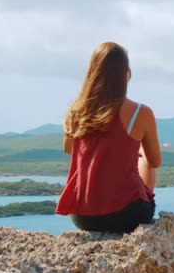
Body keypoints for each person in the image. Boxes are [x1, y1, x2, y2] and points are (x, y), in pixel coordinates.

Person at [55, 42, 162, 233]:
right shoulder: (141, 112)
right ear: (126, 73)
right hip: (128, 215)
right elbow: (155, 161)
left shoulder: (77, 110)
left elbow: (69, 149)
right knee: (144, 158)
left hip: (82, 216)